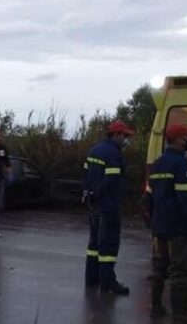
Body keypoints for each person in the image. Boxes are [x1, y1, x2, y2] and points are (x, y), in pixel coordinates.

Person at [146, 123, 187, 324]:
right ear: (179, 139)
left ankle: (156, 308)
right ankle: (181, 315)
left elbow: (149, 196)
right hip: (179, 227)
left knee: (159, 267)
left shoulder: (158, 164)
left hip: (159, 225)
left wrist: (151, 220)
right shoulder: (183, 166)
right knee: (180, 271)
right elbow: (185, 198)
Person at [83, 120, 135, 295]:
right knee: (108, 245)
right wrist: (97, 193)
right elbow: (111, 180)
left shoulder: (94, 150)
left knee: (94, 244)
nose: (126, 139)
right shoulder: (114, 153)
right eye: (125, 136)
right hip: (108, 205)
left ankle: (91, 278)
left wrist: (89, 193)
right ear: (116, 134)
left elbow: (86, 174)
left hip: (94, 205)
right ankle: (108, 282)